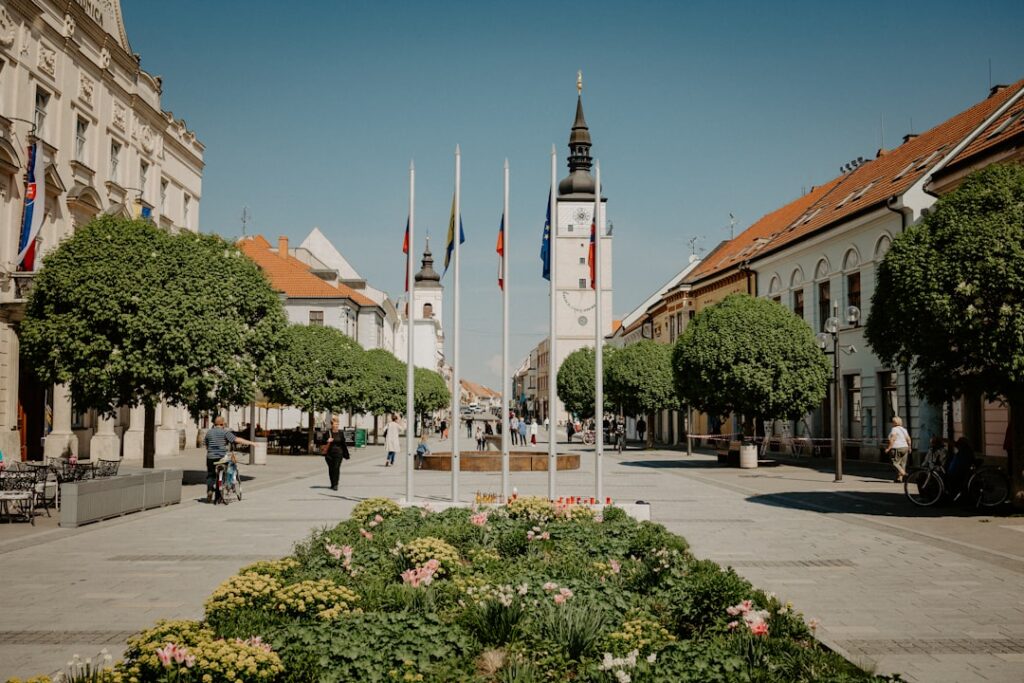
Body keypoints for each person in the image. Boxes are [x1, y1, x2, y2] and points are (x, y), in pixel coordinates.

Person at [205, 415, 253, 503]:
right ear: (222, 424)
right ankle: (219, 497)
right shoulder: (225, 432)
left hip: (210, 457)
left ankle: (209, 490)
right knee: (223, 474)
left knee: (210, 475)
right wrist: (251, 443)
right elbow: (237, 439)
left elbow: (207, 445)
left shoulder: (209, 432)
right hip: (221, 458)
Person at [322, 416, 350, 490]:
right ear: (332, 424)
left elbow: (343, 444)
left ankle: (335, 484)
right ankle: (332, 483)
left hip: (339, 453)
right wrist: (327, 441)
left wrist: (346, 454)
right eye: (335, 424)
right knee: (331, 468)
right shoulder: (327, 433)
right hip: (329, 454)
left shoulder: (341, 433)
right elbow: (321, 442)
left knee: (336, 468)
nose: (336, 426)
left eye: (337, 424)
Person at [884, 416, 912, 483]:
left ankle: (902, 472)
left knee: (894, 462)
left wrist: (888, 448)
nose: (892, 423)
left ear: (894, 422)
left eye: (892, 422)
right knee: (903, 463)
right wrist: (910, 447)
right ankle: (899, 479)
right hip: (905, 447)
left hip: (897, 447)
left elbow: (893, 439)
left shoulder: (894, 429)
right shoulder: (904, 430)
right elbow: (908, 439)